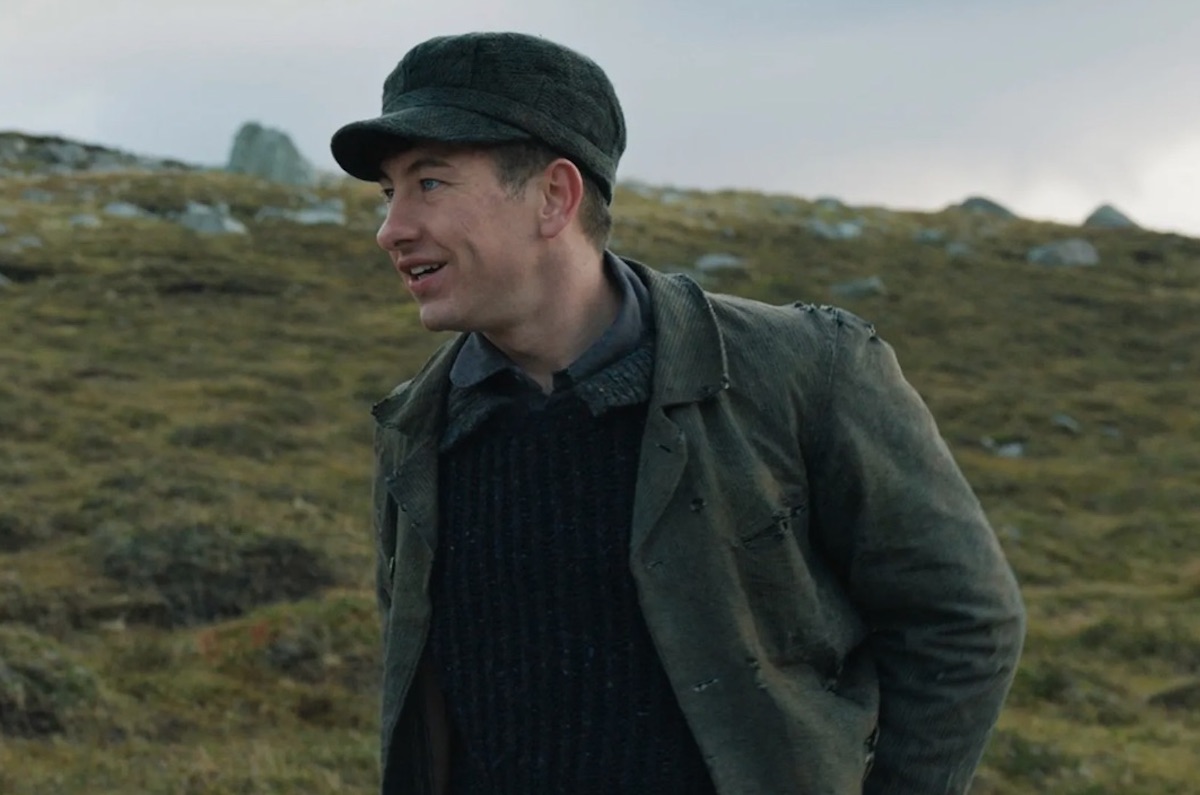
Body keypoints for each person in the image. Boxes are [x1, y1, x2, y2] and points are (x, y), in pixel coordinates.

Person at [330, 31, 1026, 795]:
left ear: (554, 196)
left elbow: (963, 621)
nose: (392, 229)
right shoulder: (416, 427)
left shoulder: (804, 369)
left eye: (430, 183)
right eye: (388, 193)